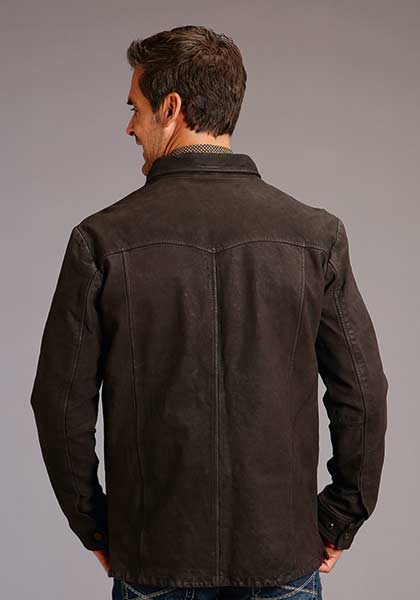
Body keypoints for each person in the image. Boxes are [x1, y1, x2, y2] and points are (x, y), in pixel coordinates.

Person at [30, 25, 388, 600]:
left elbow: (59, 403)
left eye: (135, 108)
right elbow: (363, 395)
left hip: (155, 557)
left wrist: (96, 525)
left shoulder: (101, 240)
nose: (130, 127)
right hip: (281, 557)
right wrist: (340, 517)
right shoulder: (314, 236)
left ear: (171, 108)